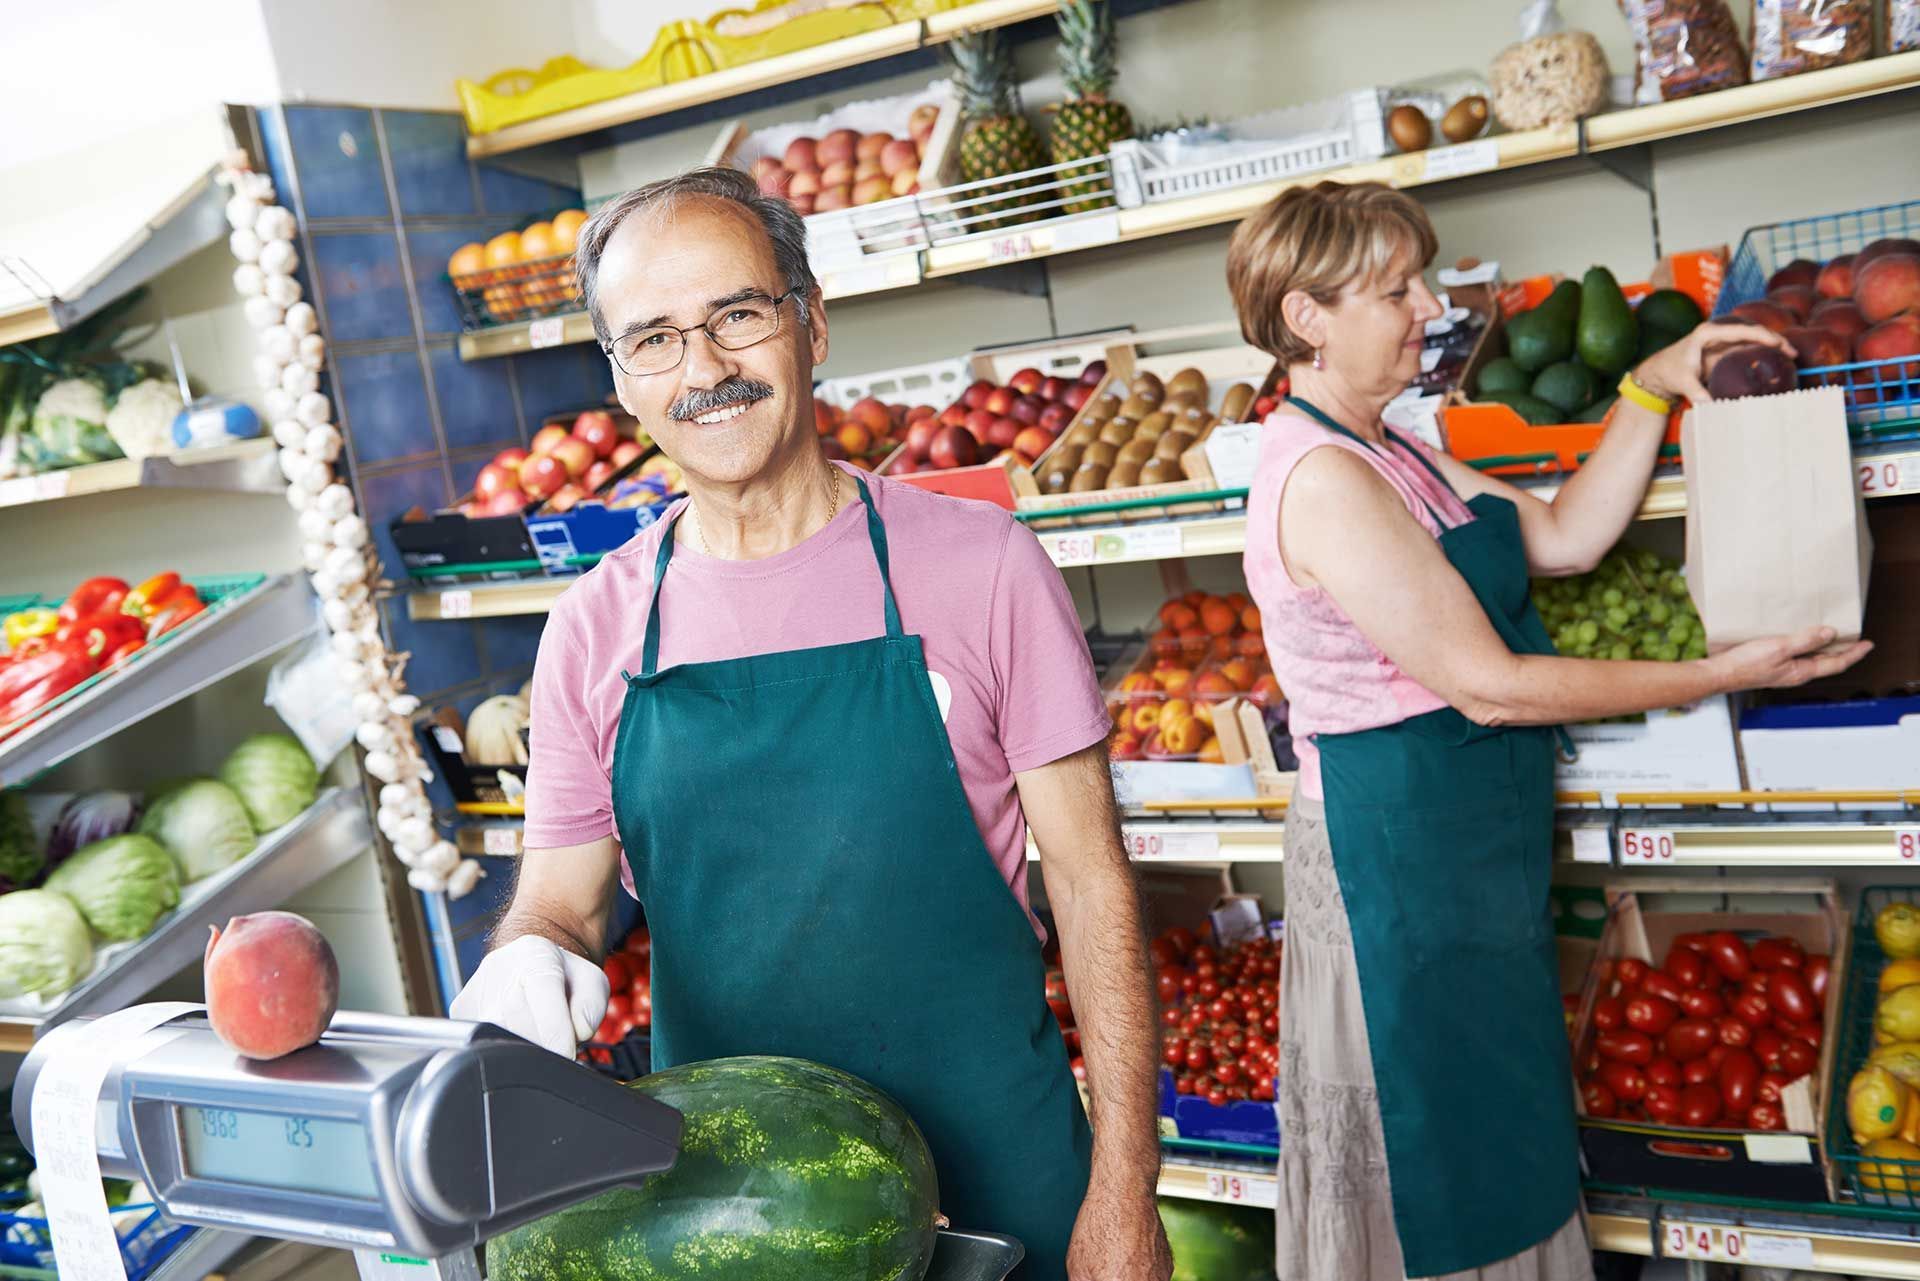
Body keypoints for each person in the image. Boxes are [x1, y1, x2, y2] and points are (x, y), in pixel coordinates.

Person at [449, 167, 1172, 1281]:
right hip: (726, 1211)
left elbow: (1091, 883)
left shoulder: (982, 569)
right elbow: (562, 898)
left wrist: (1124, 1190)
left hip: (1004, 1171)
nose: (705, 370)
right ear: (622, 381)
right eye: (655, 340)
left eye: (737, 315)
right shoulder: (594, 629)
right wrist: (528, 960)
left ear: (811, 325)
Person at [1224, 179, 1871, 1281]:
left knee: (1500, 1136)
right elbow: (1489, 684)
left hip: (1465, 849)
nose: (1428, 304)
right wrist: (1711, 676)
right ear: (1305, 318)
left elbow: (1567, 538)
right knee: (1444, 1162)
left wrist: (1650, 387)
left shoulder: (1396, 449)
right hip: (1398, 867)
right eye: (1395, 289)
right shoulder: (1324, 478)